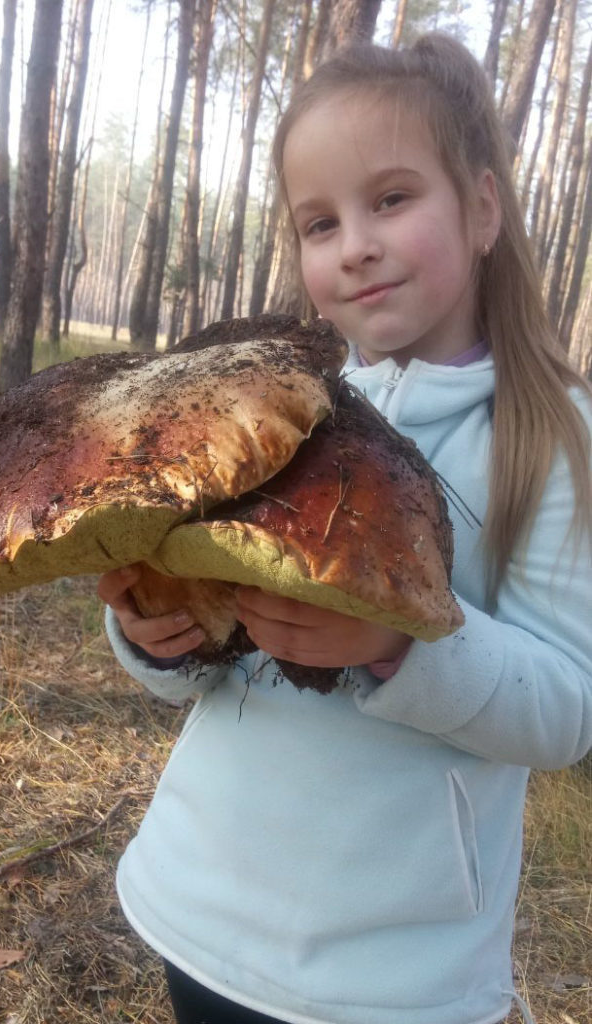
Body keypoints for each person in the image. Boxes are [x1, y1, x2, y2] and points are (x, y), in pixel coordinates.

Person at [98, 33, 592, 1024]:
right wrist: (153, 632)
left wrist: (397, 641)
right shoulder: (269, 416)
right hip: (199, 912)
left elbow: (566, 710)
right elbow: (208, 660)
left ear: (483, 208)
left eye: (392, 199)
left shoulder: (550, 438)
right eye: (320, 222)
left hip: (391, 977)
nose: (354, 244)